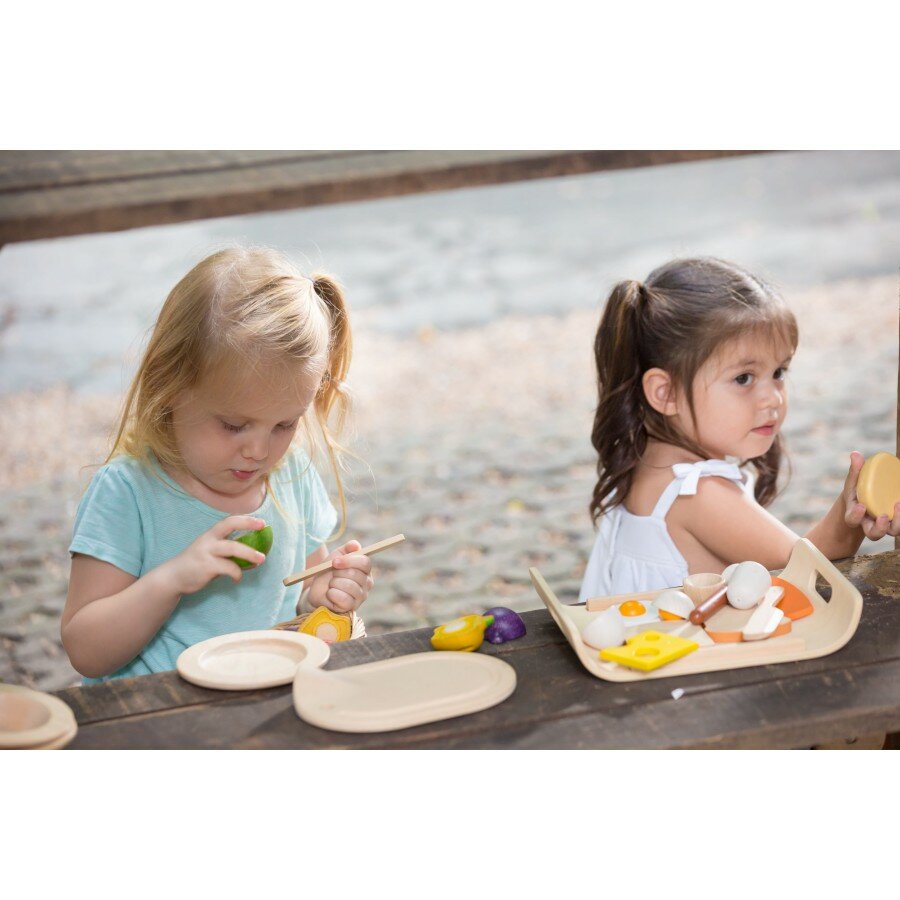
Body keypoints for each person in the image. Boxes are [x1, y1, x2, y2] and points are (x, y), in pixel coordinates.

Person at [62, 246, 374, 681]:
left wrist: (320, 597)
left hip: (261, 694)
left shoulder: (292, 475)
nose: (259, 451)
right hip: (157, 707)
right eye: (233, 425)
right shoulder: (127, 492)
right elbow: (86, 651)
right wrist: (172, 580)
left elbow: (302, 596)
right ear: (169, 388)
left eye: (285, 424)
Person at [580, 256, 899, 600]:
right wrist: (849, 512)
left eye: (778, 373)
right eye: (744, 378)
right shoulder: (699, 494)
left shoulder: (639, 461)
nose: (773, 398)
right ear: (666, 393)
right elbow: (810, 572)